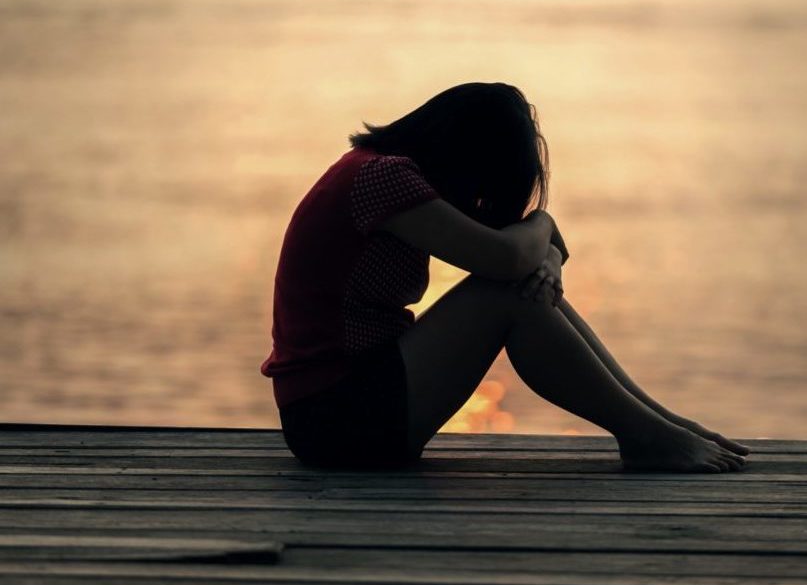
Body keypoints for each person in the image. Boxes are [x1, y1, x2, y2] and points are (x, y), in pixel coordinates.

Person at [260, 81, 750, 472]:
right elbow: (509, 257)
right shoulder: (382, 179)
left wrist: (548, 258)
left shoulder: (379, 173)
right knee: (504, 294)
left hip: (347, 407)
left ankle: (658, 424)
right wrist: (543, 223)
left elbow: (526, 256)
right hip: (335, 418)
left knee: (516, 288)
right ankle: (647, 435)